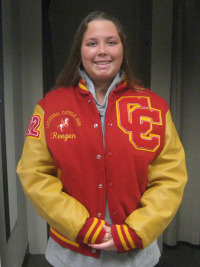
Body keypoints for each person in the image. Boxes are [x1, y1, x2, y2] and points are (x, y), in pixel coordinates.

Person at [17, 11, 187, 267]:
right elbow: (35, 174)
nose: (102, 51)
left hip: (136, 255)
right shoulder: (50, 107)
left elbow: (171, 179)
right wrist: (83, 227)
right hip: (70, 254)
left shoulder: (155, 107)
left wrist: (135, 231)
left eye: (111, 42)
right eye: (92, 43)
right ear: (80, 50)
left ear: (123, 48)